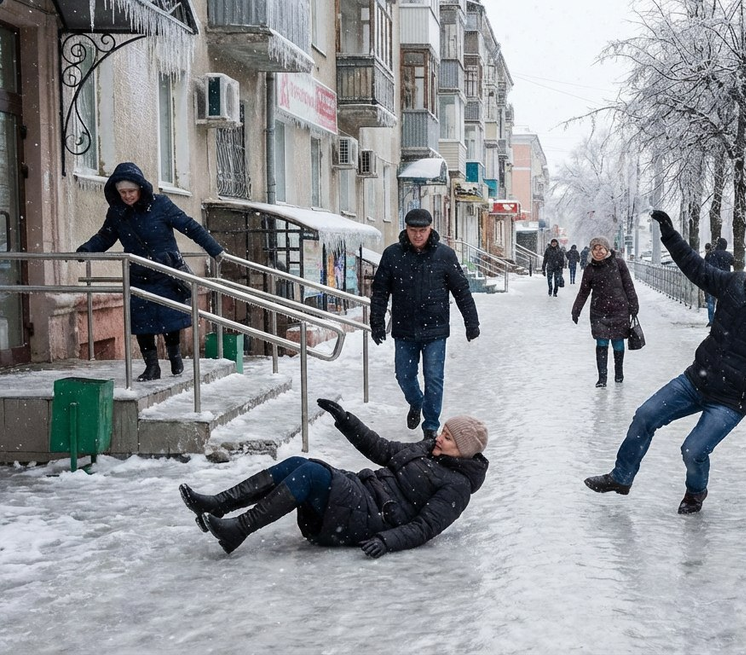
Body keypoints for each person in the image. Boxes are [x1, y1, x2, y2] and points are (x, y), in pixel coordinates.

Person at [584, 211, 746, 514]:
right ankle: (621, 477)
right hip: (696, 380)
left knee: (693, 450)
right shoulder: (735, 284)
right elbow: (696, 268)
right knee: (645, 416)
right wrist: (671, 236)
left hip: (731, 399)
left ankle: (695, 492)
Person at [180, 399, 488, 555]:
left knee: (313, 473)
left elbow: (425, 527)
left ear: (462, 450)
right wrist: (346, 420)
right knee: (299, 463)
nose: (439, 438)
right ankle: (220, 505)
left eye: (447, 438)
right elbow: (382, 449)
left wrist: (386, 541)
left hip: (369, 519)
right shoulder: (426, 448)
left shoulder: (457, 486)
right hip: (360, 495)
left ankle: (239, 529)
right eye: (443, 432)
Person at [76, 162, 225, 382]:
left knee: (170, 320)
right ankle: (152, 367)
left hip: (166, 272)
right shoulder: (117, 212)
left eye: (131, 191)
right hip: (138, 274)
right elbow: (105, 236)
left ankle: (175, 357)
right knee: (142, 324)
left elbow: (189, 226)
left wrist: (215, 250)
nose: (127, 196)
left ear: (141, 188)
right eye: (122, 192)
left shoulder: (161, 205)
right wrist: (86, 250)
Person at [370, 208, 480, 439]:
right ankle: (416, 402)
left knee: (434, 377)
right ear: (406, 229)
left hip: (435, 330)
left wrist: (472, 322)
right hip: (404, 328)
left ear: (430, 229)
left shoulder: (445, 256)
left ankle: (430, 426)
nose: (418, 235)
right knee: (404, 375)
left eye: (423, 230)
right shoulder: (393, 255)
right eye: (413, 230)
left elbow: (461, 290)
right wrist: (377, 321)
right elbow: (380, 291)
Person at [571, 236, 638, 388]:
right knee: (601, 343)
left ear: (607, 249)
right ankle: (602, 378)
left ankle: (619, 373)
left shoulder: (619, 264)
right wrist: (576, 309)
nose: (598, 251)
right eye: (595, 248)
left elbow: (628, 285)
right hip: (598, 312)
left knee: (618, 343)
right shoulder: (590, 269)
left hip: (619, 310)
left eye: (601, 248)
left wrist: (634, 304)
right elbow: (583, 291)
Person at [703, 237, 733, 326]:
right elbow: (733, 262)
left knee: (711, 301)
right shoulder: (728, 255)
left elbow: (705, 265)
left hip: (712, 280)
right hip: (724, 280)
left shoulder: (710, 255)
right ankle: (721, 320)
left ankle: (711, 320)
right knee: (722, 301)